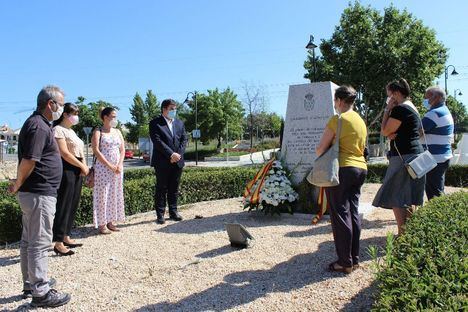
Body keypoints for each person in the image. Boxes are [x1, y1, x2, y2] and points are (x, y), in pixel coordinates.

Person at [8, 85, 71, 307]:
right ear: (50, 104)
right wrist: (18, 182)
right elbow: (30, 160)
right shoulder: (39, 127)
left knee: (29, 241)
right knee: (39, 243)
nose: (62, 109)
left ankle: (31, 283)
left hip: (36, 193)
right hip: (39, 194)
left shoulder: (41, 124)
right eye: (60, 104)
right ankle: (41, 291)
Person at [316, 85, 367, 274]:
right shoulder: (360, 121)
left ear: (338, 100)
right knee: (353, 213)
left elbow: (321, 148)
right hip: (360, 168)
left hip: (342, 169)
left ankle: (344, 262)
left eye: (335, 101)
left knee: (339, 215)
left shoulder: (338, 119)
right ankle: (354, 258)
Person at [372, 78, 425, 236]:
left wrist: (388, 110)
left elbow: (384, 131)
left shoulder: (400, 109)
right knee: (408, 195)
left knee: (397, 196)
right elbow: (419, 132)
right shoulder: (412, 108)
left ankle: (403, 235)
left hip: (403, 156)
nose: (388, 98)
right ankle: (410, 233)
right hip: (415, 154)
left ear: (395, 93)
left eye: (389, 94)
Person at [52, 103, 89, 256]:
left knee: (73, 203)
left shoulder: (72, 131)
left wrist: (84, 166)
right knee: (64, 203)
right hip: (67, 168)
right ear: (65, 114)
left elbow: (80, 150)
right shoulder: (58, 130)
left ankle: (66, 235)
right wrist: (81, 165)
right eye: (74, 113)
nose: (77, 116)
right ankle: (58, 242)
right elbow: (64, 153)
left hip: (77, 168)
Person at [149, 99, 187, 224]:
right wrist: (171, 154)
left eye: (175, 108)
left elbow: (184, 140)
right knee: (161, 188)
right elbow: (157, 141)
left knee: (174, 188)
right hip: (162, 162)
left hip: (178, 162)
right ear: (164, 109)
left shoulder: (180, 123)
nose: (174, 111)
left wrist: (178, 155)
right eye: (171, 108)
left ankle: (173, 212)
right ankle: (160, 214)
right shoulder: (155, 123)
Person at [91, 107, 125, 234]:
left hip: (117, 169)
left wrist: (120, 164)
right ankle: (102, 224)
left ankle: (111, 221)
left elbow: (122, 149)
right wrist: (109, 165)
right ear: (105, 117)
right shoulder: (98, 131)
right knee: (102, 196)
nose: (115, 119)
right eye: (113, 116)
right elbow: (96, 151)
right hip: (103, 169)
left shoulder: (117, 132)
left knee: (114, 194)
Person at [421, 86, 454, 200]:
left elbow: (417, 131)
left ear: (437, 98)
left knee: (434, 194)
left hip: (435, 158)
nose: (425, 100)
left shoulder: (434, 113)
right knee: (437, 190)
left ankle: (441, 217)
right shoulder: (443, 111)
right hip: (441, 157)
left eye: (427, 97)